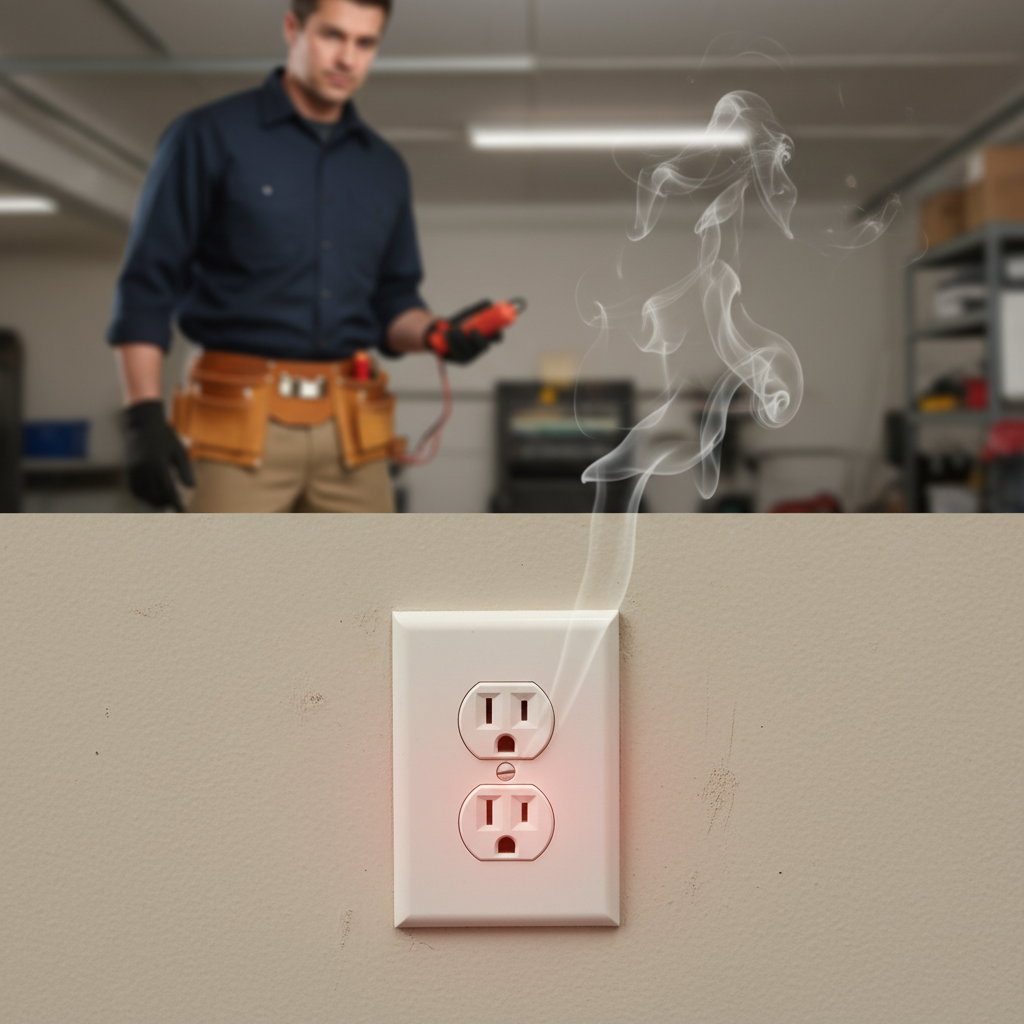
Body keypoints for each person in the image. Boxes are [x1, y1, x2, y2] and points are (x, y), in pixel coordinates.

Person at [108, 0, 501, 513]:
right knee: (219, 571)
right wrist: (142, 416)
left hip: (353, 428)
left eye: (365, 43)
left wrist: (437, 334)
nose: (347, 59)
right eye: (332, 35)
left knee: (369, 571)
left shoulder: (384, 167)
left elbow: (392, 301)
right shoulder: (206, 136)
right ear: (293, 28)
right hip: (234, 424)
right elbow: (147, 284)